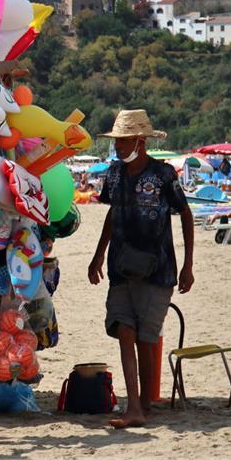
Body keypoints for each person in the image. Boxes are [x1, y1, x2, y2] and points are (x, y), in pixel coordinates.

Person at [89, 109, 194, 429]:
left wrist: (188, 266)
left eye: (124, 141)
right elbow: (113, 214)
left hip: (158, 269)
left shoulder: (163, 174)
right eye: (117, 141)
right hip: (120, 266)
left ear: (140, 140)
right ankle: (134, 404)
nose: (119, 146)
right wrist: (97, 255)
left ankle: (143, 404)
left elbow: (186, 215)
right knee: (124, 330)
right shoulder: (115, 173)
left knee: (146, 339)